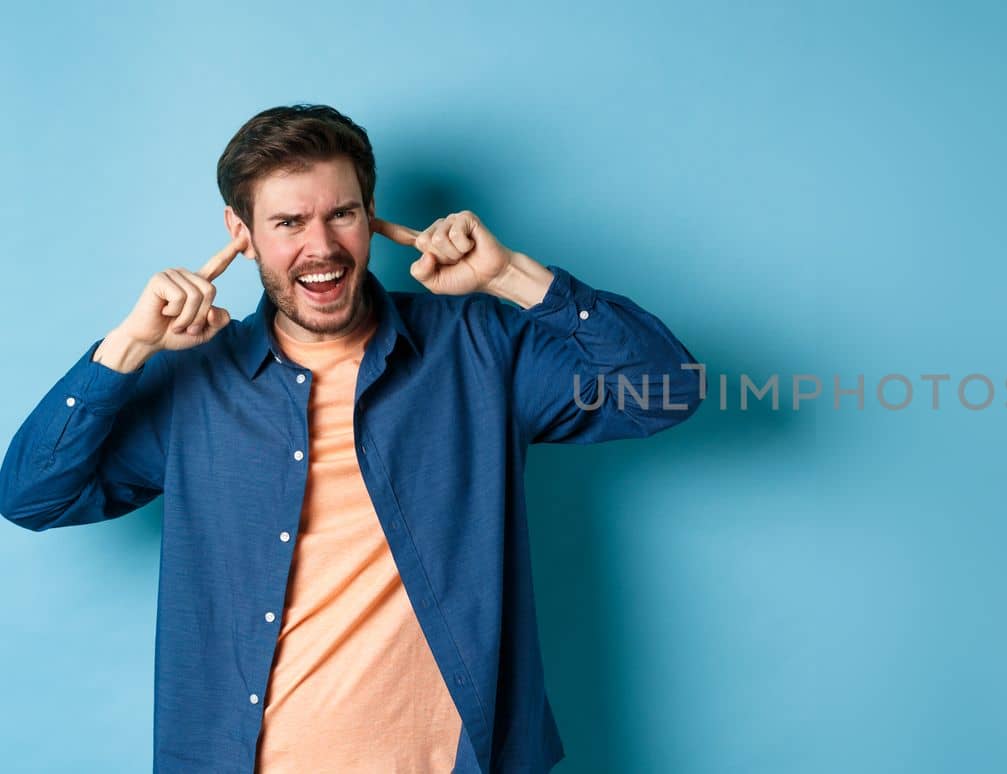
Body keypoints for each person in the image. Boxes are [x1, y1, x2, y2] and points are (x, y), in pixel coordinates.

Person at [0, 104, 704, 773]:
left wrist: (509, 277)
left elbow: (667, 390)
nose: (322, 247)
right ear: (239, 233)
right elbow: (30, 496)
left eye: (342, 214)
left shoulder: (477, 349)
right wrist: (126, 347)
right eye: (288, 222)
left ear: (371, 216)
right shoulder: (197, 386)